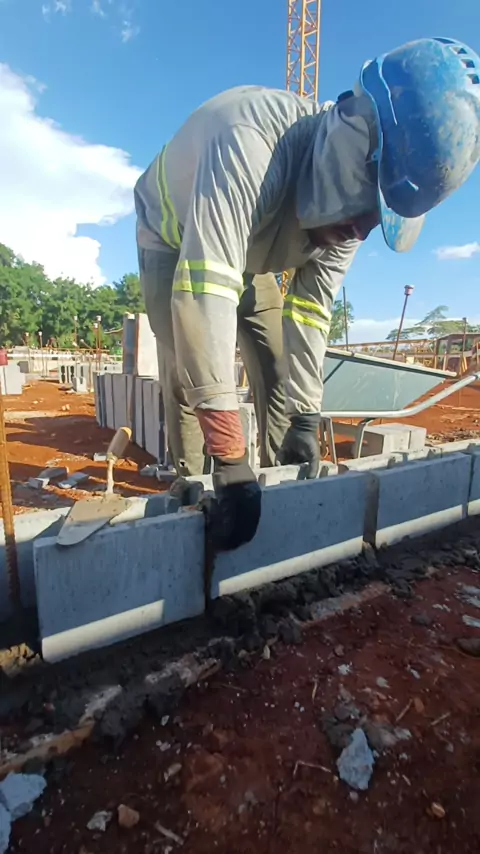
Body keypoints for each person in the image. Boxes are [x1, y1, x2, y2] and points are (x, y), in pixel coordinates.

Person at [134, 36, 480, 551]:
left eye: (378, 215)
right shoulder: (250, 142)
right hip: (175, 236)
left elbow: (312, 309)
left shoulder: (351, 216)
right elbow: (204, 293)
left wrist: (305, 416)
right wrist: (229, 456)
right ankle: (199, 491)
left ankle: (275, 492)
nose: (361, 229)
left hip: (252, 249)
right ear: (353, 140)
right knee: (188, 370)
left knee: (274, 367)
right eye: (367, 205)